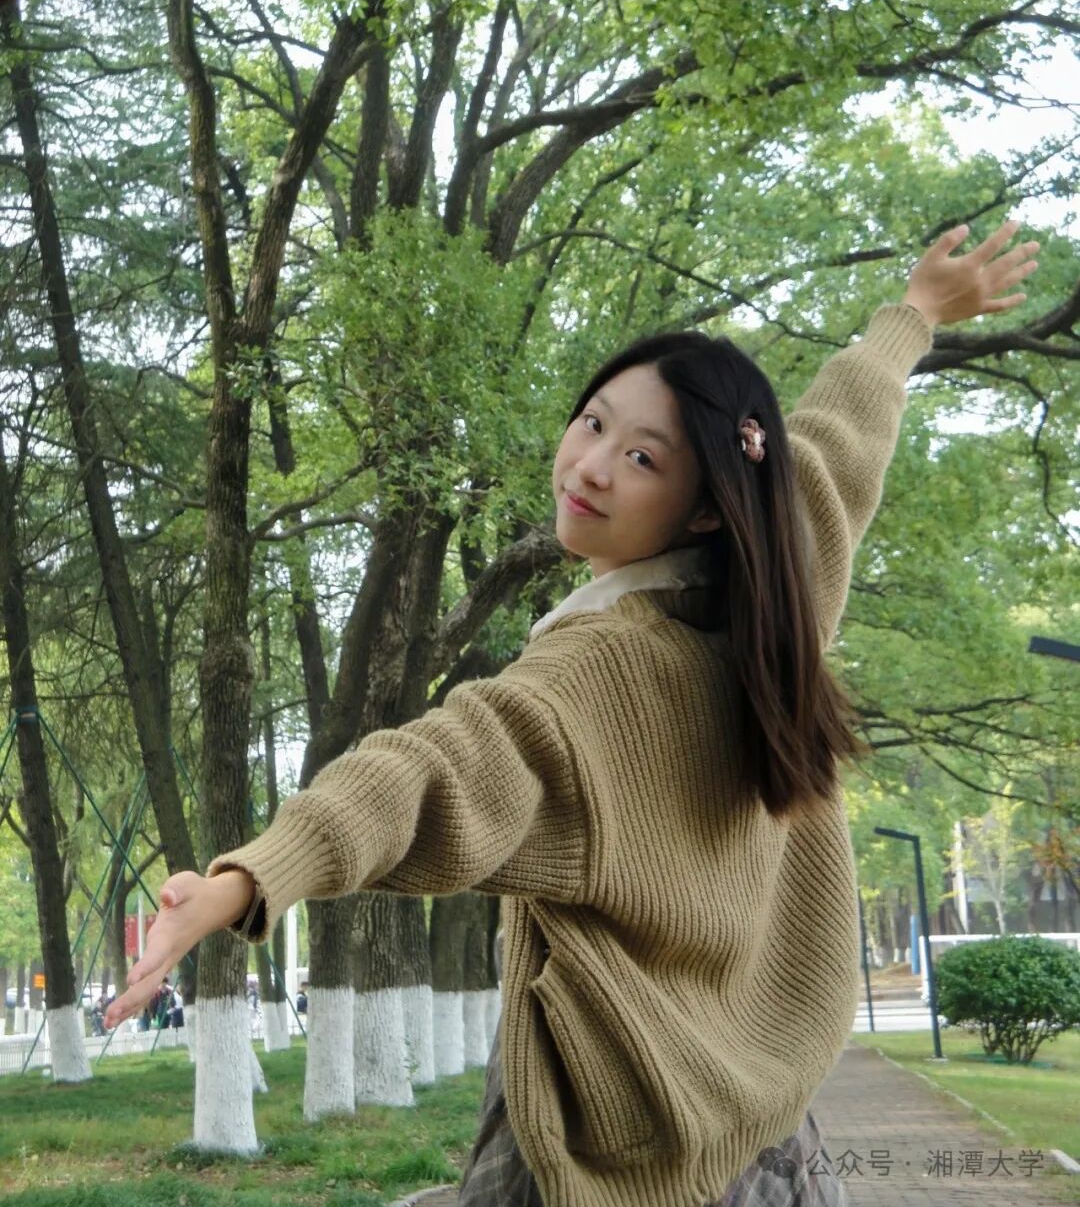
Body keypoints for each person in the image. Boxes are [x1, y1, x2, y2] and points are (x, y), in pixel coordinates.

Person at [105, 222, 1039, 1206]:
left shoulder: (601, 667)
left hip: (611, 1139)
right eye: (593, 423)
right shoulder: (780, 597)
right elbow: (837, 444)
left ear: (708, 505)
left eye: (641, 458)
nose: (590, 466)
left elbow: (439, 768)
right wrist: (914, 315)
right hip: (771, 1139)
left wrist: (253, 875)